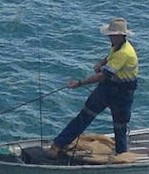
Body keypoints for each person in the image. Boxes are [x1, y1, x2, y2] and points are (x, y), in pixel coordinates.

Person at [47, 17, 139, 157]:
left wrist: (79, 83)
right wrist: (101, 63)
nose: (109, 37)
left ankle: (121, 155)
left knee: (120, 127)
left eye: (112, 35)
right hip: (107, 88)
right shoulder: (117, 46)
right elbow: (110, 56)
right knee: (85, 116)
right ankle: (58, 144)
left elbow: (102, 76)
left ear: (120, 36)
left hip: (122, 94)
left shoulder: (125, 53)